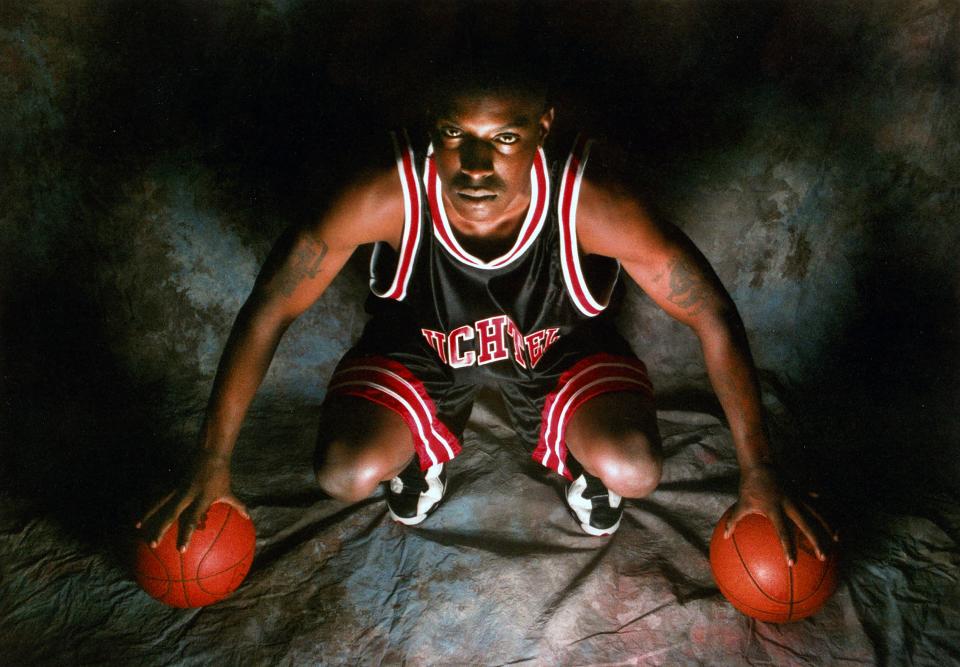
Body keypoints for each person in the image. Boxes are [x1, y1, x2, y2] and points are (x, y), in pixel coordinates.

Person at [138, 67, 833, 565]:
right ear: (431, 129)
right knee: (343, 472)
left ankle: (578, 462)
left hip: (556, 357)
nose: (473, 163)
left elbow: (708, 310)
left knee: (636, 468)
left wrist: (758, 469)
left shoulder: (590, 203)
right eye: (453, 133)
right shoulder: (388, 194)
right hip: (425, 356)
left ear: (543, 128)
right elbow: (270, 306)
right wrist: (212, 459)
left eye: (503, 136)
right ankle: (424, 450)